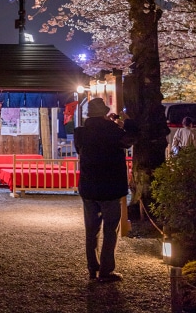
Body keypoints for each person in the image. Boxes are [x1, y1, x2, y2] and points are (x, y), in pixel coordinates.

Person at [73, 98, 135, 283]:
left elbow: (80, 150)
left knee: (91, 230)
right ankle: (106, 270)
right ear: (104, 112)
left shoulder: (80, 133)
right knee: (110, 229)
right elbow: (129, 141)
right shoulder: (112, 130)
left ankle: (93, 267)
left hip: (89, 186)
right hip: (110, 187)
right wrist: (126, 123)